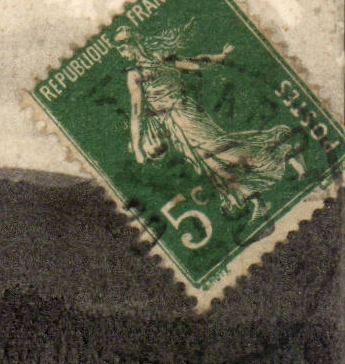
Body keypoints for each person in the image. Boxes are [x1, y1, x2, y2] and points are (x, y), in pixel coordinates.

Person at [116, 23, 297, 224]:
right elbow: (193, 64)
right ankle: (254, 199)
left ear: (134, 42)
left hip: (184, 116)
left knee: (219, 151)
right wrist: (219, 56)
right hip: (177, 122)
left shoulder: (139, 71)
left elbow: (137, 111)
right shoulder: (150, 62)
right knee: (208, 163)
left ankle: (278, 152)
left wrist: (139, 149)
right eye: (118, 47)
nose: (120, 50)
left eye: (122, 45)